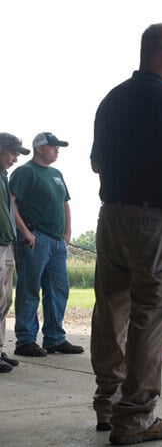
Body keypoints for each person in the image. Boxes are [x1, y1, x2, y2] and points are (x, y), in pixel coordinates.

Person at [90, 23, 162, 444]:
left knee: (111, 311)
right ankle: (135, 418)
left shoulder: (111, 100)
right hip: (153, 221)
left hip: (111, 217)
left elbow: (97, 164)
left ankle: (108, 402)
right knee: (152, 317)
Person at [10, 132, 81, 358]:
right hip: (35, 239)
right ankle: (25, 340)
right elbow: (10, 202)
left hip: (57, 242)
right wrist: (25, 232)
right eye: (53, 147)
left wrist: (67, 233)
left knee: (58, 289)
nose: (57, 150)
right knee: (30, 287)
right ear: (39, 148)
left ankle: (54, 338)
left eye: (58, 147)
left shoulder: (56, 174)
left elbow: (65, 203)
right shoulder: (25, 172)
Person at [0, 133, 29, 373]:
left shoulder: (4, 176)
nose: (15, 159)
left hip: (6, 242)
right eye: (12, 153)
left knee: (4, 299)